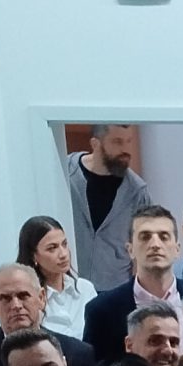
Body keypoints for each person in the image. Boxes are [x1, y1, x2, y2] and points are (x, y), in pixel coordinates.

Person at [83, 206, 183, 363]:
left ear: (177, 249)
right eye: (145, 237)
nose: (155, 244)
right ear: (130, 249)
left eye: (164, 237)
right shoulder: (101, 310)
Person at [62, 124, 151, 292]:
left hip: (114, 290)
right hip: (68, 287)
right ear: (95, 144)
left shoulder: (137, 191)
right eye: (117, 142)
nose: (125, 149)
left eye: (128, 141)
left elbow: (144, 247)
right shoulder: (65, 173)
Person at [19, 214, 98, 340]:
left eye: (64, 244)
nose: (63, 254)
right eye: (52, 248)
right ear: (34, 256)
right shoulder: (30, 299)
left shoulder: (84, 288)